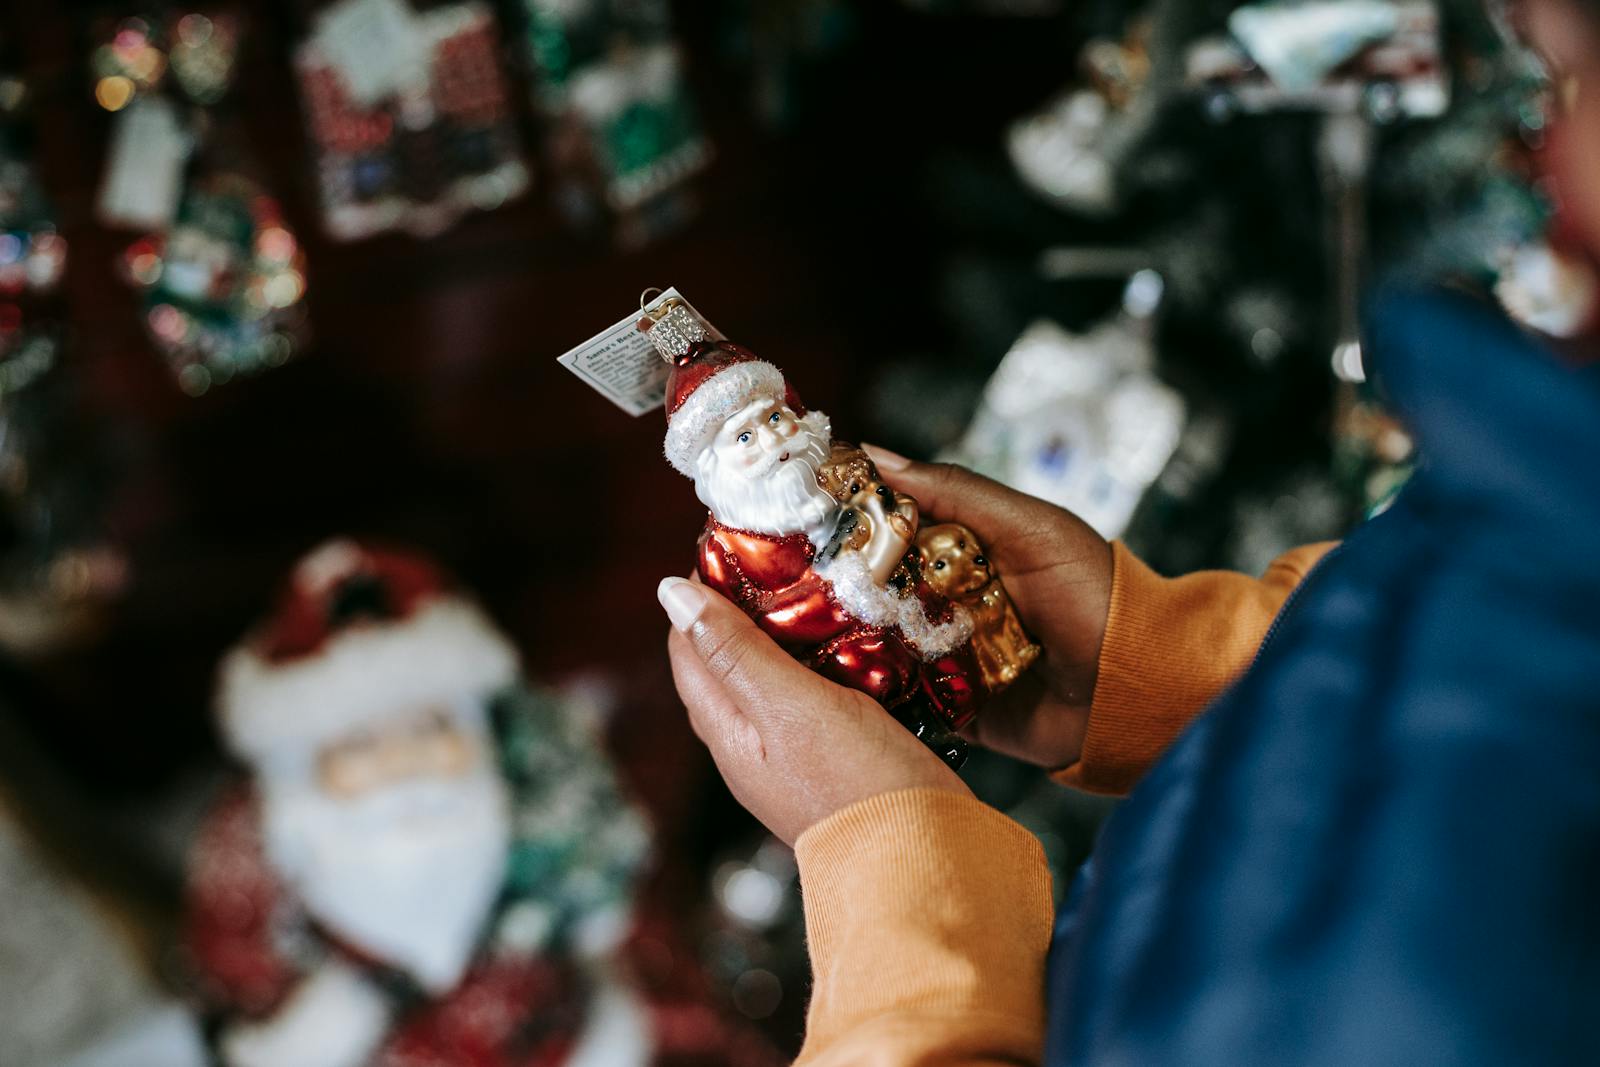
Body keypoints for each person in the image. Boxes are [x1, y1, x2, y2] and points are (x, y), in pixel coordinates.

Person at [657, 2, 1600, 1062]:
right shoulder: (1546, 465)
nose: (1539, 146)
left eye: (1564, 66)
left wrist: (892, 867)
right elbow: (1453, 641)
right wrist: (1163, 662)